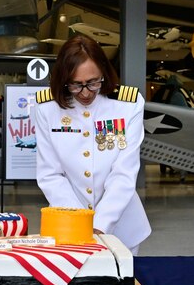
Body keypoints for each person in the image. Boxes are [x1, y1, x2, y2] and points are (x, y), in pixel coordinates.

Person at [34, 34, 151, 255]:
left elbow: (124, 172)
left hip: (123, 227)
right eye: (76, 85)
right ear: (63, 80)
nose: (86, 93)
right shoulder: (47, 108)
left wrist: (100, 226)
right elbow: (50, 174)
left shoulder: (128, 104)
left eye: (93, 82)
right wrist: (81, 225)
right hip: (69, 225)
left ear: (104, 74)